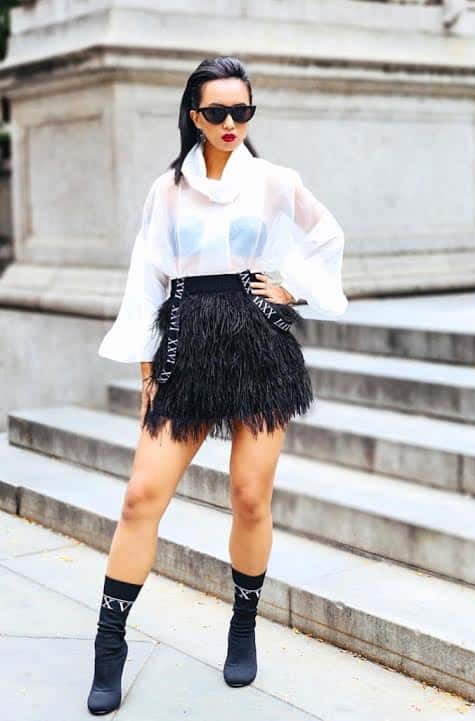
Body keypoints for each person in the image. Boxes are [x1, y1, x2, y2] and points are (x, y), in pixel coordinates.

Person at [87, 55, 348, 715]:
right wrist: (146, 367)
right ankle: (109, 644)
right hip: (185, 343)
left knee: (249, 497)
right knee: (141, 496)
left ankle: (242, 623)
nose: (231, 122)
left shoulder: (275, 181)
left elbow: (327, 235)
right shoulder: (167, 190)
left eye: (242, 110)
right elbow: (146, 278)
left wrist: (293, 290)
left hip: (257, 342)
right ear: (194, 115)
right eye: (217, 111)